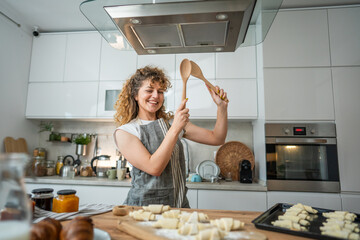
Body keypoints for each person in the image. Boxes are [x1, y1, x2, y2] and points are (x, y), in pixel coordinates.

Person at [113, 66, 228, 208]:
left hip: (178, 206)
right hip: (143, 209)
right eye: (149, 90)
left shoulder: (173, 123)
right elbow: (154, 168)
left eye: (160, 91)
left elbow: (217, 138)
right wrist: (175, 129)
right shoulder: (126, 131)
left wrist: (222, 107)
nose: (156, 95)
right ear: (135, 95)